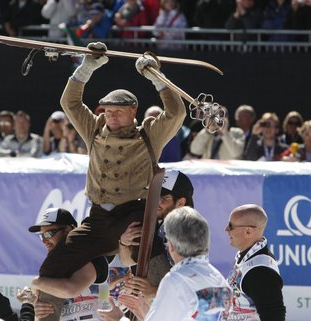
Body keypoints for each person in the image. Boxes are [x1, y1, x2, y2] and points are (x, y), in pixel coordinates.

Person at [35, 41, 186, 321]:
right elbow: (69, 103)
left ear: (134, 112)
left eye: (118, 111)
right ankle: (43, 316)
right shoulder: (94, 129)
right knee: (54, 265)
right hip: (97, 220)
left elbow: (176, 113)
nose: (110, 115)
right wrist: (87, 67)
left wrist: (157, 79)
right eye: (106, 110)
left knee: (153, 263)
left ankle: (166, 312)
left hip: (132, 214)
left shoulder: (148, 135)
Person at [111, 207, 232, 321]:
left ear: (171, 246)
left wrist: (118, 318)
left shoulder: (176, 281)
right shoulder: (219, 279)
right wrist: (144, 312)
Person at [116, 170, 195, 303]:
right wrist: (124, 243)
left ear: (180, 202)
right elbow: (127, 261)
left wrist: (153, 291)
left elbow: (192, 281)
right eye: (153, 195)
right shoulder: (163, 223)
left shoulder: (187, 230)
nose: (155, 201)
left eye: (163, 197)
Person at [29, 208, 108, 321]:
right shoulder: (53, 269)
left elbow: (71, 290)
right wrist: (37, 311)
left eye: (49, 233)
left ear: (68, 230)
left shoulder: (92, 256)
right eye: (42, 235)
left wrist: (36, 283)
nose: (44, 240)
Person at [225, 204, 286, 321]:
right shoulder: (247, 254)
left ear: (248, 232)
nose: (226, 229)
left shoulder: (260, 271)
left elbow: (274, 317)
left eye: (231, 226)